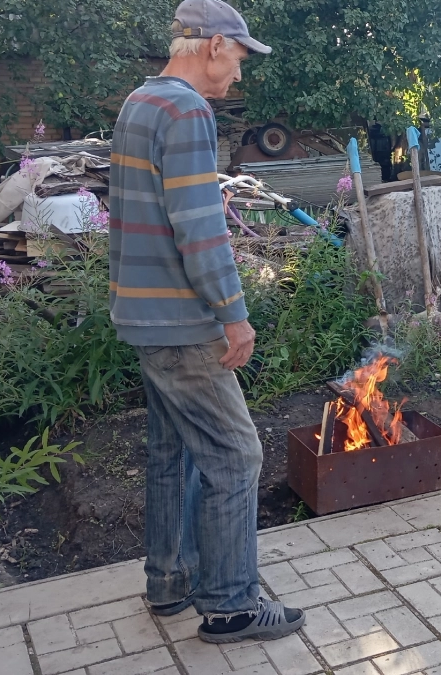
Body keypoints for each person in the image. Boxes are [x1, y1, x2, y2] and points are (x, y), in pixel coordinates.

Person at [108, 0, 305, 643]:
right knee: (236, 455)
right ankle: (231, 605)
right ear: (213, 45)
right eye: (240, 59)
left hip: (142, 314)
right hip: (182, 320)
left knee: (174, 455)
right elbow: (200, 228)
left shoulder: (139, 101)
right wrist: (234, 315)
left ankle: (168, 584)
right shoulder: (187, 110)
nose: (239, 76)